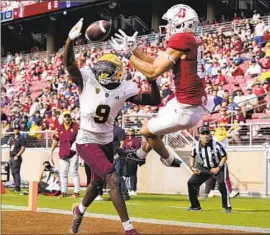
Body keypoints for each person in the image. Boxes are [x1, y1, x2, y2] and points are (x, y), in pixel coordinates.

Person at [64, 18, 160, 235]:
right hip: (87, 140)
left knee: (97, 185)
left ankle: (78, 211)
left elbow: (154, 101)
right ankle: (129, 229)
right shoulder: (87, 79)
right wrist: (70, 39)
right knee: (114, 179)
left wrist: (151, 78)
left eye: (111, 70)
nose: (108, 74)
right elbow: (69, 64)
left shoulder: (124, 88)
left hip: (106, 141)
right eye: (106, 70)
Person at [110, 4, 214, 167]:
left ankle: (169, 159)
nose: (168, 26)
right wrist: (134, 49)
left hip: (187, 109)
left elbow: (152, 72)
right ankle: (139, 155)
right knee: (157, 127)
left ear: (181, 24)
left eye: (172, 22)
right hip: (188, 102)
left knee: (146, 131)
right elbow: (157, 62)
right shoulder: (191, 40)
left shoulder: (182, 39)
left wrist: (127, 54)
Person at [187, 126, 232, 213]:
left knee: (222, 183)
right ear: (199, 136)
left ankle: (227, 206)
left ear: (210, 135)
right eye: (203, 134)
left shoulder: (216, 145)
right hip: (203, 167)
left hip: (218, 166)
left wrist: (218, 167)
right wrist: (192, 167)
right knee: (191, 182)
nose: (205, 136)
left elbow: (224, 156)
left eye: (207, 134)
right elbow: (192, 156)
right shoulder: (195, 146)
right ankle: (195, 206)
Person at [48, 110, 80, 198]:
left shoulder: (76, 126)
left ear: (70, 117)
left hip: (73, 153)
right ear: (63, 117)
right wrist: (51, 151)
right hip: (63, 154)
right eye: (65, 116)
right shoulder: (59, 128)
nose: (66, 118)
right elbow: (55, 140)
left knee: (74, 173)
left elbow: (81, 139)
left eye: (68, 116)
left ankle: (76, 192)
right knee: (63, 174)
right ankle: (63, 192)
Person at [8, 124, 26, 192]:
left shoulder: (21, 138)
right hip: (12, 157)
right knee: (13, 172)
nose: (16, 130)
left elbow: (23, 148)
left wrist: (17, 155)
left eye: (17, 129)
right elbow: (10, 148)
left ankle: (17, 187)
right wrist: (9, 157)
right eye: (15, 129)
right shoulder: (12, 138)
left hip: (16, 157)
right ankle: (16, 185)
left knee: (16, 172)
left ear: (19, 130)